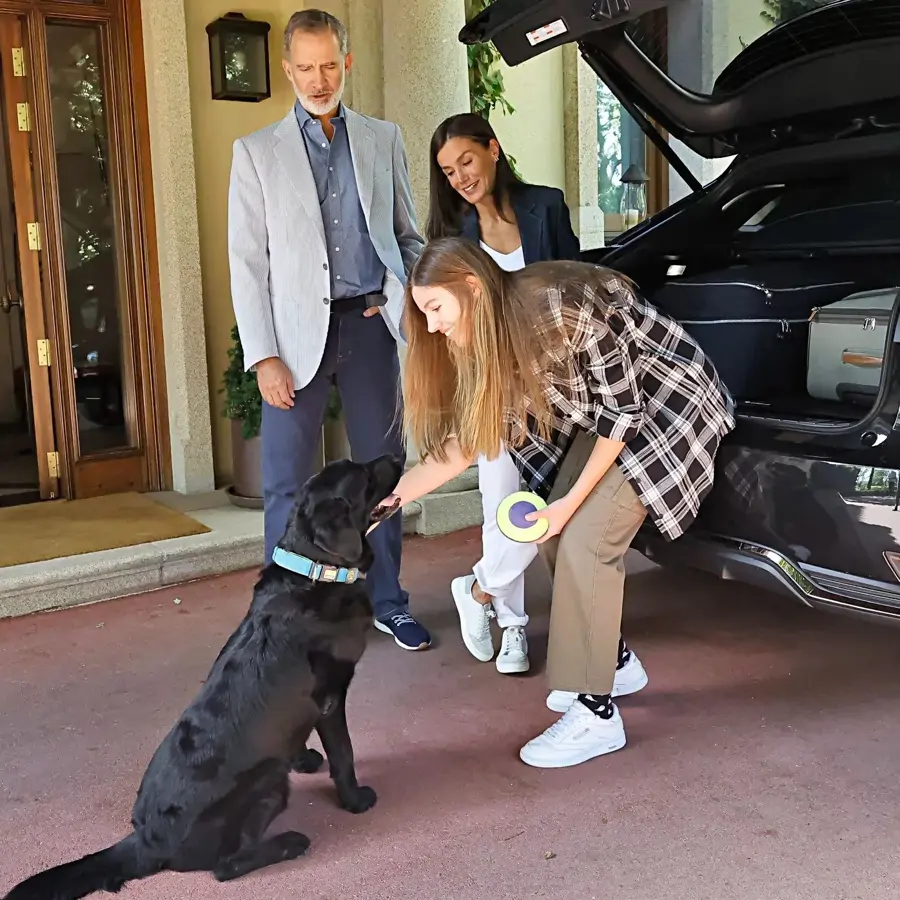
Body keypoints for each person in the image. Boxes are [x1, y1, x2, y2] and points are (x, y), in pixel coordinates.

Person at [375, 238, 735, 768]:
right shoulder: (480, 338)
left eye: (435, 308)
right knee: (544, 525)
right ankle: (613, 662)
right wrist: (390, 500)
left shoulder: (560, 309)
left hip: (669, 407)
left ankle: (596, 716)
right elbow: (464, 444)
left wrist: (569, 508)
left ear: (471, 287)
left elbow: (623, 415)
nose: (430, 326)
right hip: (610, 422)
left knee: (587, 540)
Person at [227, 9, 431, 651]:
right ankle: (286, 616)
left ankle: (387, 600)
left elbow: (408, 235)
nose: (318, 80)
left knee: (384, 477)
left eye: (328, 65)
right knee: (286, 479)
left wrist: (403, 302)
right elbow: (248, 263)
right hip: (292, 340)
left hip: (370, 329)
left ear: (347, 63)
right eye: (305, 68)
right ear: (288, 69)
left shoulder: (381, 138)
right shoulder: (255, 153)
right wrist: (262, 357)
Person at [426, 112, 581, 677]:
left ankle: (479, 589)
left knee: (547, 506)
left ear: (493, 149)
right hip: (491, 386)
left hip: (557, 385)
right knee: (502, 509)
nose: (460, 177)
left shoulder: (547, 206)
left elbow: (576, 282)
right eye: (448, 171)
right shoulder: (453, 240)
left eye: (466, 160)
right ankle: (514, 628)